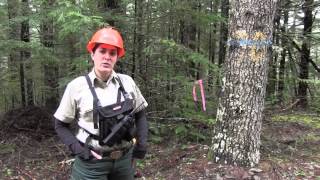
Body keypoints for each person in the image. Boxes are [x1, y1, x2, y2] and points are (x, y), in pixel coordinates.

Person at [54, 27, 148, 180]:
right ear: (92, 54)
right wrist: (80, 151)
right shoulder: (77, 87)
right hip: (91, 164)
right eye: (102, 51)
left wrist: (141, 145)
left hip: (125, 161)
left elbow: (141, 114)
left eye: (112, 53)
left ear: (117, 57)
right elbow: (60, 125)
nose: (107, 57)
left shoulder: (128, 82)